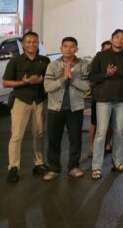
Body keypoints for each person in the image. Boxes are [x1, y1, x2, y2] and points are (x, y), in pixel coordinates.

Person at [3, 31, 51, 183]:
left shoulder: (45, 61)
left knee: (39, 134)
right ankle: (13, 167)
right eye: (28, 42)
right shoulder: (15, 61)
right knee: (17, 135)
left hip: (39, 101)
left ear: (38, 44)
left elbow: (50, 80)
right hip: (21, 100)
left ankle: (39, 163)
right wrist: (24, 82)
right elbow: (6, 83)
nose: (32, 44)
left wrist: (41, 81)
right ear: (23, 44)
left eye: (35, 42)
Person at [88, 29, 123, 180]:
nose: (120, 40)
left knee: (118, 132)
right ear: (111, 39)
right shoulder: (101, 56)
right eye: (117, 37)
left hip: (121, 99)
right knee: (101, 132)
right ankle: (96, 167)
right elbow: (92, 77)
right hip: (104, 99)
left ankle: (118, 162)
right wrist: (106, 74)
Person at [43, 36, 91, 180]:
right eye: (65, 46)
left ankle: (74, 167)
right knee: (54, 139)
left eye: (72, 46)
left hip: (75, 108)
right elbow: (47, 87)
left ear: (76, 49)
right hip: (55, 108)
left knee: (75, 139)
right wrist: (63, 78)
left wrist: (73, 79)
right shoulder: (53, 65)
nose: (68, 49)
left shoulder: (83, 65)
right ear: (61, 48)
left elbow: (87, 86)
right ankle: (53, 169)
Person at [87, 40, 112, 159]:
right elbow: (92, 78)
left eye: (110, 49)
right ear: (101, 50)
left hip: (112, 97)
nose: (108, 51)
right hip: (98, 97)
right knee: (95, 123)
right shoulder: (97, 60)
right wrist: (106, 74)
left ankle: (107, 143)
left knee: (110, 123)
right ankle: (91, 147)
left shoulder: (115, 60)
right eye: (105, 49)